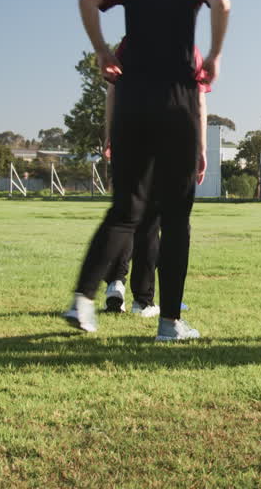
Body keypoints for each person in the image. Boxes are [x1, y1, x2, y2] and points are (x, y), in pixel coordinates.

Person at [63, 0, 231, 341]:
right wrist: (213, 54)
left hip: (132, 99)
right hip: (175, 101)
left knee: (125, 209)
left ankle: (82, 301)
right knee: (175, 218)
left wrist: (102, 50)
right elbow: (223, 4)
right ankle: (169, 323)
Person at [101, 37, 213, 318]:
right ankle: (143, 299)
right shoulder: (189, 49)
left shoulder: (129, 45)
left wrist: (110, 135)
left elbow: (113, 92)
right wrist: (201, 148)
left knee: (128, 213)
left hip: (132, 135)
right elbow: (198, 100)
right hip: (172, 139)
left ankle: (115, 282)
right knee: (153, 220)